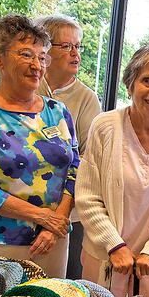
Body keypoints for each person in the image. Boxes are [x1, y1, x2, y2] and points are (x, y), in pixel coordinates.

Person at [0, 15, 77, 278]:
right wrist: (43, 217)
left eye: (42, 57)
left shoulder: (58, 111)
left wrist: (54, 224)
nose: (37, 65)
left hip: (53, 240)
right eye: (26, 54)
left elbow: (75, 169)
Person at [75, 47, 149, 297]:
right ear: (130, 85)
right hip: (105, 259)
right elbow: (87, 196)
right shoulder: (105, 126)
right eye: (147, 81)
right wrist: (114, 246)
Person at [34, 14, 102, 280]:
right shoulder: (27, 85)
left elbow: (86, 159)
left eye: (78, 46)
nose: (76, 54)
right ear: (45, 50)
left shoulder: (86, 98)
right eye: (67, 46)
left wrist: (59, 217)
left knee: (65, 285)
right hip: (20, 215)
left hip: (68, 216)